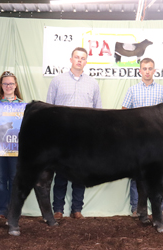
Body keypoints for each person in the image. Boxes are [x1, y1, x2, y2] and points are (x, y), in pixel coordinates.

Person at [46, 47, 102, 220]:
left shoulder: (92, 83)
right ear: (71, 59)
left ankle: (77, 209)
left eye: (83, 58)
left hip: (84, 137)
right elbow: (49, 109)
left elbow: (97, 112)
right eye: (77, 57)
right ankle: (58, 210)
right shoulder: (57, 81)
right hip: (61, 136)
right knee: (61, 175)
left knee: (80, 174)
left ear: (86, 61)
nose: (79, 60)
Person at [122, 57, 163, 218]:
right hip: (137, 140)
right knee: (137, 174)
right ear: (140, 71)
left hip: (157, 140)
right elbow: (124, 112)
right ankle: (137, 207)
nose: (147, 71)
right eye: (144, 68)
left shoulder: (162, 90)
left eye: (150, 68)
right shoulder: (132, 90)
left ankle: (160, 208)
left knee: (158, 174)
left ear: (154, 71)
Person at [0, 71, 24, 220]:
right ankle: (0, 211)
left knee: (15, 179)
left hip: (16, 149)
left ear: (15, 85)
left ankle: (13, 211)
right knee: (0, 179)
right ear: (1, 86)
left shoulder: (23, 106)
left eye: (11, 83)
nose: (8, 86)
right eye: (5, 83)